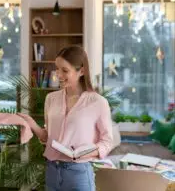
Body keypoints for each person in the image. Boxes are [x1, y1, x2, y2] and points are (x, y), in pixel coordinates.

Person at [18, 46, 114, 191]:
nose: (58, 75)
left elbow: (107, 142)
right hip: (52, 171)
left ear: (81, 71)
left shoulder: (98, 102)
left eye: (65, 70)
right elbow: (47, 137)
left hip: (79, 174)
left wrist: (86, 152)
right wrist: (31, 124)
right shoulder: (51, 99)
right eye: (57, 69)